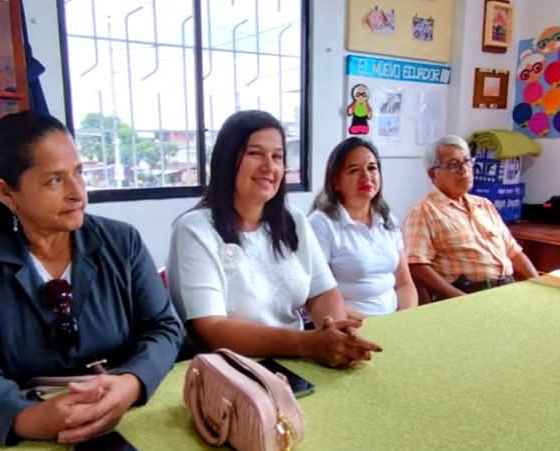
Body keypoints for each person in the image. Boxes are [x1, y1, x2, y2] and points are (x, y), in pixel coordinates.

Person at [0, 111, 183, 451]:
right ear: (6, 192)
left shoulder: (121, 243)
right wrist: (26, 417)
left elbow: (164, 327)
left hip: (122, 415)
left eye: (79, 173)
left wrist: (132, 382)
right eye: (54, 180)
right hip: (18, 434)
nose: (78, 193)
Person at [166, 110, 382, 368]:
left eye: (277, 156)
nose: (269, 167)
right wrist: (307, 344)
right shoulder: (195, 229)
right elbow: (211, 329)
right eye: (255, 154)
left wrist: (339, 337)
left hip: (299, 361)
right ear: (227, 160)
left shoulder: (293, 220)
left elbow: (323, 292)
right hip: (231, 370)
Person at [402, 134, 538, 300]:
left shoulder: (484, 204)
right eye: (453, 164)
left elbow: (514, 252)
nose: (464, 169)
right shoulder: (423, 211)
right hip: (468, 294)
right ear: (432, 174)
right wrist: (462, 300)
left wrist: (539, 284)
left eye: (467, 161)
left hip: (507, 290)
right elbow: (416, 266)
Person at [309, 137, 417, 318]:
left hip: (395, 320)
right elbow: (319, 296)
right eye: (353, 170)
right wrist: (372, 324)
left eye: (372, 168)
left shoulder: (386, 217)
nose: (366, 176)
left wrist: (406, 318)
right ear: (336, 182)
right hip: (349, 324)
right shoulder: (320, 224)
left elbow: (405, 283)